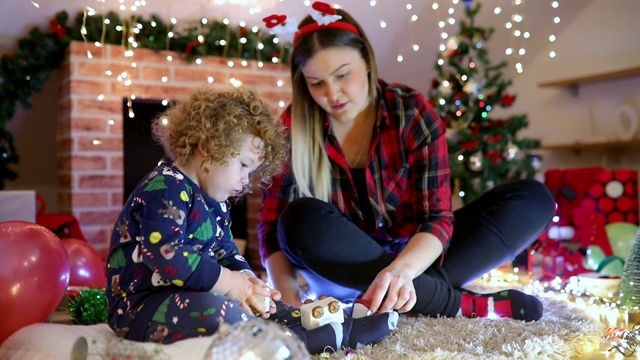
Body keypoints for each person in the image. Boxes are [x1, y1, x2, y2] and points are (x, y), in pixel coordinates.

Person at [258, 2, 556, 322]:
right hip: (342, 268)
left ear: (368, 61)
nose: (333, 93)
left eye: (343, 74)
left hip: (415, 258)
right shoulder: (292, 127)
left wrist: (401, 271)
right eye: (316, 83)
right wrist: (288, 306)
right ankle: (454, 303)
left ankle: (406, 292)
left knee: (534, 200)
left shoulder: (410, 111)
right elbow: (272, 230)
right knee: (297, 219)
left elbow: (437, 218)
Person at [105, 87, 398, 355]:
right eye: (243, 165)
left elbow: (227, 253)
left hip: (189, 296)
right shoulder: (165, 187)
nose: (246, 181)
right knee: (224, 312)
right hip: (142, 309)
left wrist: (248, 281)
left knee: (264, 305)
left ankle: (335, 320)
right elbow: (167, 255)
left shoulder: (215, 203)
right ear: (208, 147)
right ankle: (303, 342)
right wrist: (230, 283)